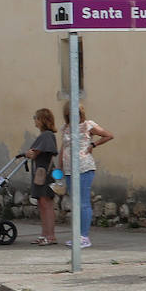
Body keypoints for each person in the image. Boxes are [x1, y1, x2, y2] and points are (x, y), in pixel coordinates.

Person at [58, 104, 113, 249]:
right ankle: (77, 236)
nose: (72, 114)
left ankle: (84, 236)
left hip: (84, 167)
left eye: (75, 111)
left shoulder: (88, 125)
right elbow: (63, 148)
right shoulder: (65, 128)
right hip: (69, 170)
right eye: (69, 112)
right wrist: (59, 169)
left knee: (83, 202)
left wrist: (93, 145)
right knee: (75, 204)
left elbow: (108, 135)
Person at [25, 108, 59, 245]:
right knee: (42, 204)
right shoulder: (46, 135)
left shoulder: (47, 135)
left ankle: (50, 236)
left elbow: (34, 153)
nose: (34, 120)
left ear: (41, 120)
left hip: (45, 174)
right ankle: (45, 234)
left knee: (46, 204)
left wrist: (28, 154)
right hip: (41, 174)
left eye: (36, 117)